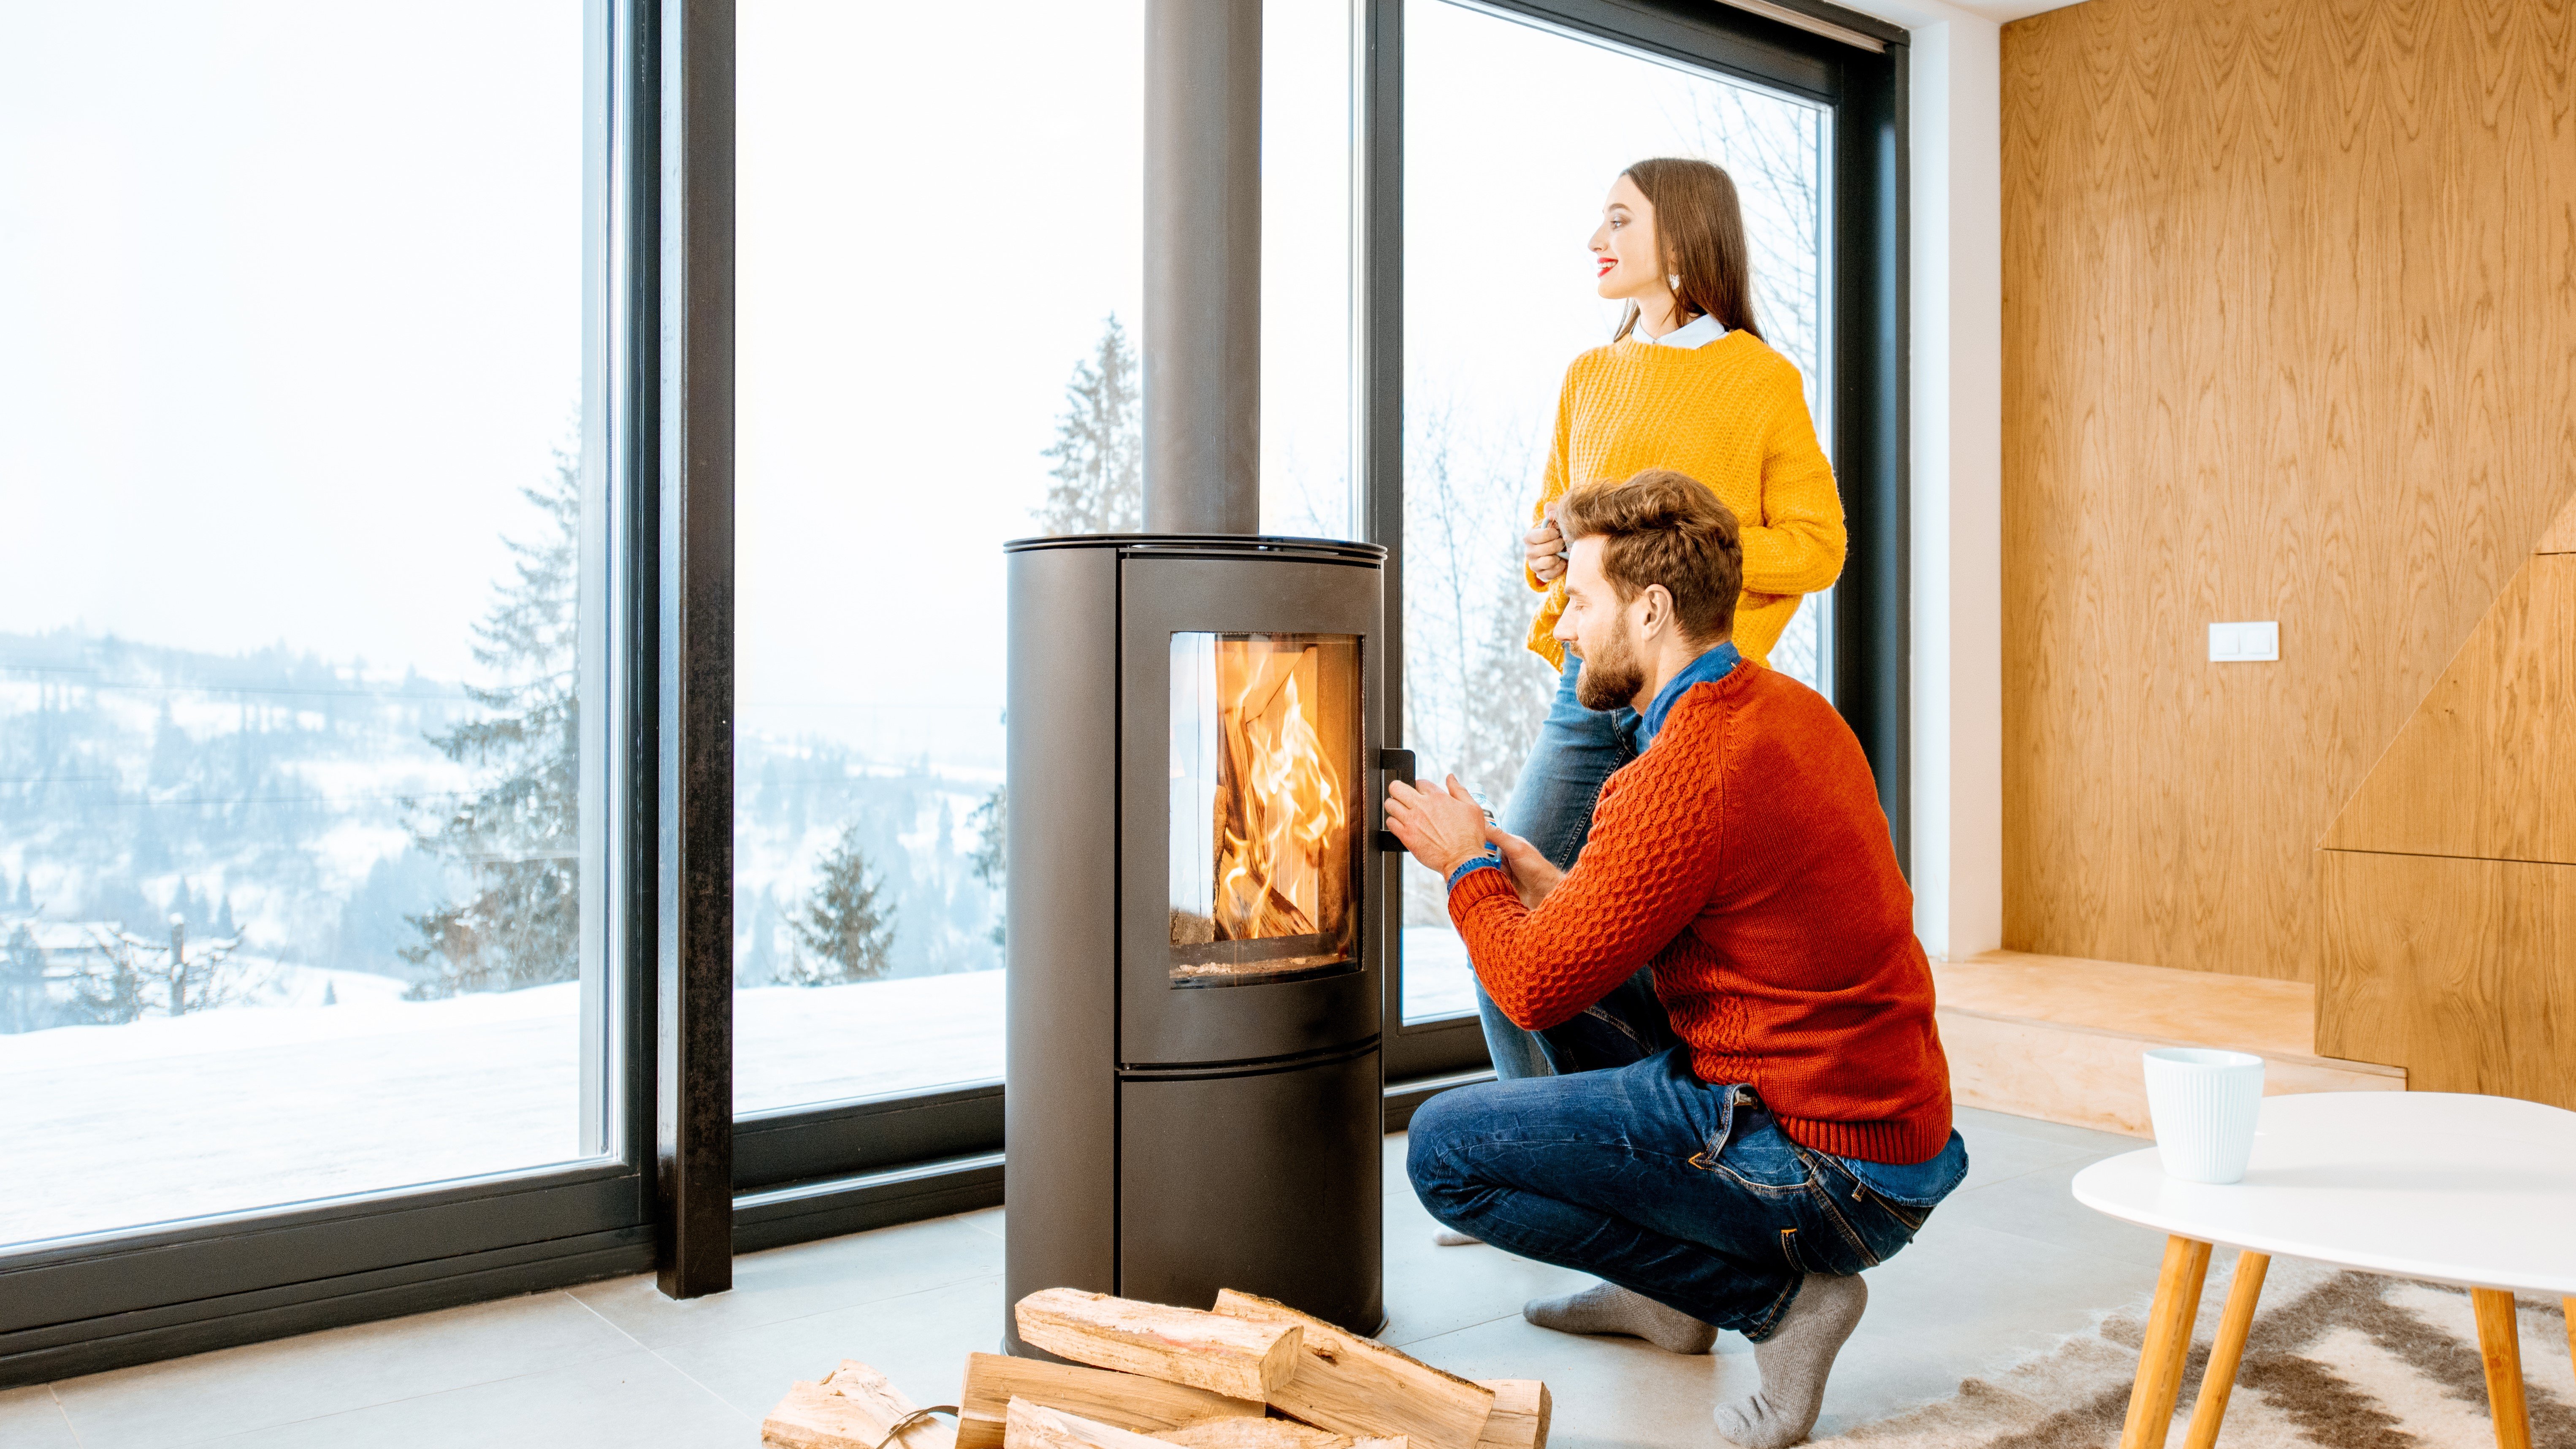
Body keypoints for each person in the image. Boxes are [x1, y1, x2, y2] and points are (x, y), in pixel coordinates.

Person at [1383, 471, 1960, 1449]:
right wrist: (1537, 881)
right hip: (1881, 1129)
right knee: (1563, 966)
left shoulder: (1685, 769)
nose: (1562, 627)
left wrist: (1466, 864)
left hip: (1828, 1170)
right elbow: (1670, 929)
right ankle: (1666, 1304)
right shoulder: (1781, 709)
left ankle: (1777, 1302)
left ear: (1649, 610)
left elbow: (1522, 985)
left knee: (1446, 1154)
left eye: (1577, 600)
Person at [1476, 157, 1847, 1086]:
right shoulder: (1588, 376)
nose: (1594, 242)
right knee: (1503, 908)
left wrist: (1681, 548)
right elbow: (1562, 523)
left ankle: (1668, 1144)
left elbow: (1818, 545)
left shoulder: (1759, 379)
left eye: (1617, 222)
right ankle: (1542, 1142)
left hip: (1687, 703)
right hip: (1588, 687)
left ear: (1680, 238)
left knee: (1657, 956)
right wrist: (1549, 557)